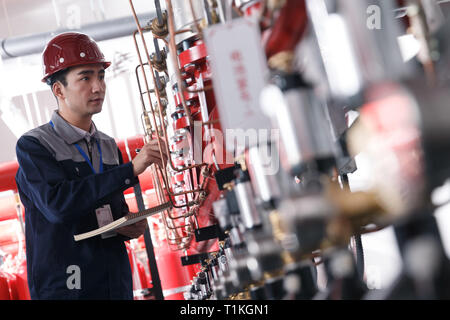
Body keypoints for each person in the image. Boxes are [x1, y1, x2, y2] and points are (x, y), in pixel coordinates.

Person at [15, 32, 167, 300]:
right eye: (86, 77)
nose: (98, 86)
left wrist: (127, 223)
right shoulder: (34, 146)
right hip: (67, 288)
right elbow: (58, 206)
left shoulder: (108, 146)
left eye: (101, 76)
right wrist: (130, 170)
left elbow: (107, 209)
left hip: (113, 282)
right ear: (58, 89)